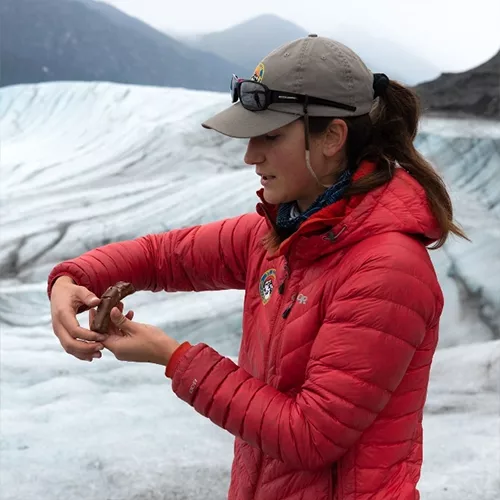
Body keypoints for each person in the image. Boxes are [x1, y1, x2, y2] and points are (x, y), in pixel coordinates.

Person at [47, 35, 468, 500]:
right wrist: (73, 277)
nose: (251, 156)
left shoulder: (386, 270)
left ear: (331, 137)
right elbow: (165, 255)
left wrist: (174, 358)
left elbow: (309, 436)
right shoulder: (282, 236)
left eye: (271, 136)